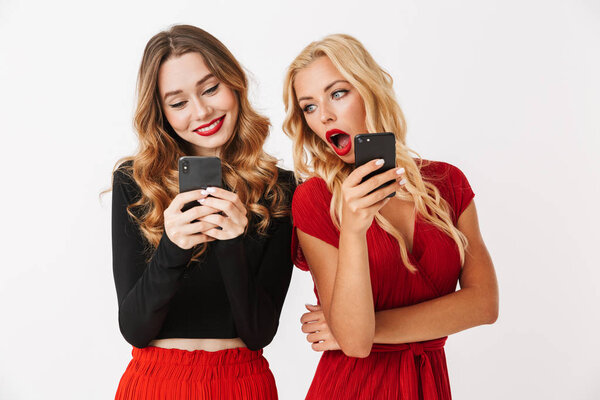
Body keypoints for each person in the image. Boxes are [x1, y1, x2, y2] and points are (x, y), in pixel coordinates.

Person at [282, 34, 499, 399]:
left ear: (369, 89)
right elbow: (355, 342)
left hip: (429, 385)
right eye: (309, 107)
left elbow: (484, 304)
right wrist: (352, 230)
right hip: (352, 387)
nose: (326, 115)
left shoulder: (448, 183)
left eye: (337, 93)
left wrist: (362, 326)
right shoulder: (316, 199)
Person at [111, 25, 294, 399]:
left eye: (210, 89)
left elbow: (259, 332)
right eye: (178, 103)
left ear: (234, 84)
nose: (202, 111)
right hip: (155, 382)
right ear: (160, 113)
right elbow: (134, 328)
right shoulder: (135, 181)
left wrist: (232, 242)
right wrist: (173, 246)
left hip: (242, 383)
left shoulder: (280, 188)